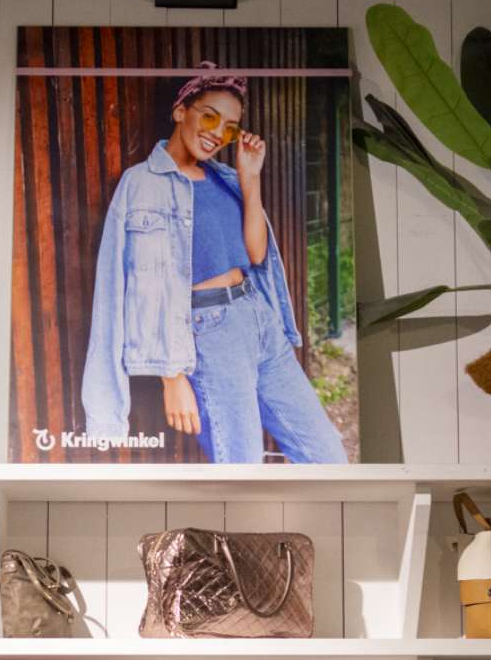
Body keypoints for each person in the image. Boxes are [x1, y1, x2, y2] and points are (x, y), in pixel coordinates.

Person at [78, 63, 345, 464]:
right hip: (207, 334)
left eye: (230, 126)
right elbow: (124, 289)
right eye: (209, 116)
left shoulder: (226, 179)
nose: (218, 133)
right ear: (180, 110)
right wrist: (173, 376)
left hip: (258, 319)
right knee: (241, 467)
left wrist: (250, 178)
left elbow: (256, 255)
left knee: (327, 455)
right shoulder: (141, 184)